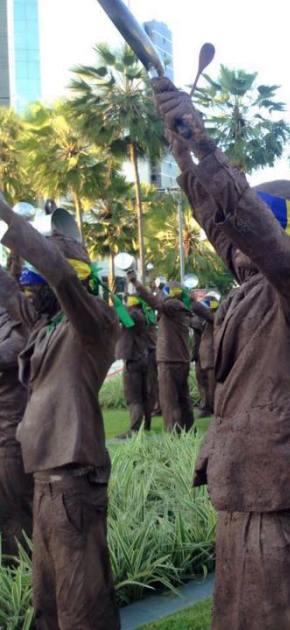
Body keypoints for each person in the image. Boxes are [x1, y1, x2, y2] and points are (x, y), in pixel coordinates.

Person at [152, 77, 290, 629]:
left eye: (249, 236)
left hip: (289, 494)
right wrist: (183, 152)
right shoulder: (251, 284)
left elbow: (264, 242)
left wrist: (208, 146)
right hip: (245, 488)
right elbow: (221, 223)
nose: (234, 251)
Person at [0, 199, 120, 628]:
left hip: (74, 486)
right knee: (48, 605)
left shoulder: (92, 325)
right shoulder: (46, 328)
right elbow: (9, 292)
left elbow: (62, 277)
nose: (28, 297)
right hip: (45, 484)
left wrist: (8, 216)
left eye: (37, 288)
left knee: (82, 607)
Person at [129, 275, 194, 432]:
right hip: (180, 359)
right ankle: (189, 430)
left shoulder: (171, 305)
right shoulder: (180, 307)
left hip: (169, 359)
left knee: (169, 400)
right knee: (183, 399)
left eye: (164, 291)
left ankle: (173, 433)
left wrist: (136, 283)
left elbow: (153, 301)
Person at [0, 303, 30, 561]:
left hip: (10, 433)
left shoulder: (18, 323)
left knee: (15, 508)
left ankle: (20, 565)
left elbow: (15, 351)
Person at [116, 295, 156, 433]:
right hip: (141, 358)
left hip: (134, 360)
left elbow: (119, 317)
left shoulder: (133, 315)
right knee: (143, 395)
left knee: (134, 397)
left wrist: (117, 305)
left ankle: (135, 429)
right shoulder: (141, 314)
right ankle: (146, 425)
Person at [191, 293, 219, 417]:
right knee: (201, 381)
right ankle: (205, 406)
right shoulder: (200, 319)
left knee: (212, 383)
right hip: (200, 356)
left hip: (211, 356)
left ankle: (214, 407)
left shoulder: (216, 316)